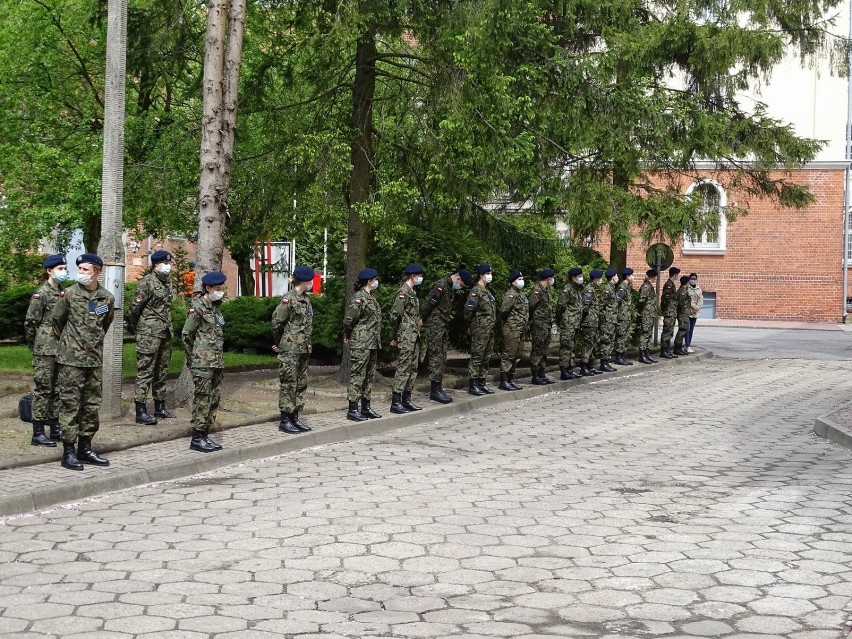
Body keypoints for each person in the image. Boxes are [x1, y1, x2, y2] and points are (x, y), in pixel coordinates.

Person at [52, 253, 115, 470]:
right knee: (70, 405)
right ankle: (68, 451)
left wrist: (91, 344)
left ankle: (85, 448)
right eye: (79, 269)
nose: (80, 273)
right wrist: (72, 345)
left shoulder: (106, 298)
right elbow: (56, 322)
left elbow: (104, 325)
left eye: (85, 270)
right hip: (71, 361)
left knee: (91, 405)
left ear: (97, 272)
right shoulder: (68, 294)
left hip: (94, 361)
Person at [24, 254, 68, 447]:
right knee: (43, 390)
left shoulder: (64, 293)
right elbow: (31, 323)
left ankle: (55, 427)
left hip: (61, 348)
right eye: (60, 268)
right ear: (49, 271)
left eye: (64, 268)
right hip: (45, 349)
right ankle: (38, 432)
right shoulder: (40, 294)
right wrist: (36, 345)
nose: (63, 272)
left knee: (58, 389)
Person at [127, 250, 176, 426]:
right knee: (145, 372)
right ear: (156, 265)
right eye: (165, 263)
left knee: (161, 371)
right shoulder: (146, 283)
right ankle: (140, 410)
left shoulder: (167, 284)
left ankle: (159, 406)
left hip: (164, 332)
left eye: (169, 263)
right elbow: (134, 309)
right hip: (148, 334)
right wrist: (137, 327)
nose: (168, 266)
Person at [181, 271, 227, 453]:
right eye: (218, 288)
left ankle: (205, 434)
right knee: (203, 399)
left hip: (216, 361)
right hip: (202, 362)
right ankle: (197, 437)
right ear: (208, 288)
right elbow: (186, 335)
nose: (221, 291)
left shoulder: (215, 307)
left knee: (213, 398)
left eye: (221, 288)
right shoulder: (198, 307)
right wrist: (194, 359)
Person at [272, 266, 315, 434]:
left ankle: (295, 417)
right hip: (290, 349)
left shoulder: (306, 299)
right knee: (289, 384)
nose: (312, 283)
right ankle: (285, 419)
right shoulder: (288, 299)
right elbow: (277, 323)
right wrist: (280, 342)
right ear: (305, 281)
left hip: (304, 348)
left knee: (301, 384)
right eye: (311, 280)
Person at [422, 269, 473, 403]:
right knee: (436, 356)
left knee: (442, 357)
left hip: (442, 325)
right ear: (458, 279)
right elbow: (429, 303)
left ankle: (438, 387)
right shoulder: (441, 286)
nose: (460, 287)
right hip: (435, 325)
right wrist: (422, 319)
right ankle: (434, 390)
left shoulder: (449, 287)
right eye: (461, 285)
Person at [343, 268, 383, 422]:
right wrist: (347, 335)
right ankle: (353, 409)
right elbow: (349, 320)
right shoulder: (359, 298)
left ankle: (366, 407)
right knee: (357, 375)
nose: (376, 282)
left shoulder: (371, 297)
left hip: (372, 342)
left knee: (369, 375)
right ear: (369, 281)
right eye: (375, 279)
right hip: (361, 342)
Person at [390, 264, 425, 414]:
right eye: (419, 276)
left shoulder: (412, 293)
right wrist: (396, 335)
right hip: (406, 336)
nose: (421, 278)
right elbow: (394, 315)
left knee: (413, 368)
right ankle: (396, 401)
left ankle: (407, 399)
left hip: (414, 335)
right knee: (403, 368)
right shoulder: (403, 292)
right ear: (413, 276)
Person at [465, 264, 497, 396]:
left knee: (486, 357)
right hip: (480, 329)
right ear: (481, 275)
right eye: (488, 273)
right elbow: (468, 311)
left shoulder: (487, 292)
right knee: (477, 356)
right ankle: (473, 384)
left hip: (489, 329)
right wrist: (473, 325)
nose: (490, 276)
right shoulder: (475, 291)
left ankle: (482, 382)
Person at [498, 270, 530, 391]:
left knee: (517, 354)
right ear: (513, 282)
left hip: (520, 329)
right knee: (509, 354)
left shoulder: (521, 295)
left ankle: (511, 378)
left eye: (522, 279)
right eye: (519, 279)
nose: (522, 281)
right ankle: (504, 380)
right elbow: (503, 312)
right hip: (512, 328)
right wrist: (510, 323)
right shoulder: (510, 294)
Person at [528, 268, 556, 385]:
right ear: (548, 278)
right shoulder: (537, 291)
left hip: (546, 325)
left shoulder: (546, 292)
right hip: (539, 325)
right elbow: (531, 306)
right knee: (537, 349)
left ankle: (541, 372)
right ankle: (535, 375)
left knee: (544, 350)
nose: (553, 280)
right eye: (552, 278)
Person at [557, 267, 584, 380]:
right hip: (568, 323)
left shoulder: (577, 290)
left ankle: (569, 369)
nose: (581, 278)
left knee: (572, 347)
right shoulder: (567, 289)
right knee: (566, 347)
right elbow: (560, 307)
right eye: (580, 276)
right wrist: (561, 320)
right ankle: (564, 370)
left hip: (575, 323)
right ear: (573, 277)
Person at [576, 269, 603, 376]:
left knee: (592, 344)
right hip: (589, 322)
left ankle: (590, 366)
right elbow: (585, 307)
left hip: (593, 322)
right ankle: (584, 366)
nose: (601, 280)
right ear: (595, 279)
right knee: (587, 345)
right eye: (600, 278)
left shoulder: (593, 289)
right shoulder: (589, 290)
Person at [595, 268, 619, 372]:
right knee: (606, 341)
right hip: (607, 320)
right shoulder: (607, 289)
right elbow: (601, 305)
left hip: (612, 319)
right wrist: (604, 318)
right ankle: (603, 363)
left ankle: (606, 361)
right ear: (613, 277)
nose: (617, 277)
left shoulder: (612, 288)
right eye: (616, 275)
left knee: (610, 341)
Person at [636, 268, 659, 364]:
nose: (655, 279)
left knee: (649, 334)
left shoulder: (649, 286)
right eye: (655, 277)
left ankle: (647, 353)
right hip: (646, 314)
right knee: (645, 334)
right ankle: (642, 355)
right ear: (652, 277)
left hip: (650, 314)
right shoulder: (646, 286)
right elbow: (642, 300)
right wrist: (642, 312)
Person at [614, 268, 634, 366]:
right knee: (621, 336)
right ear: (627, 276)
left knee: (624, 336)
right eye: (631, 275)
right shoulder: (622, 287)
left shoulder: (627, 286)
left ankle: (622, 355)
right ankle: (618, 356)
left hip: (626, 315)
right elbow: (617, 301)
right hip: (622, 316)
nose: (633, 277)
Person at [659, 266, 680, 359]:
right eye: (677, 275)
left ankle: (667, 349)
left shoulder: (672, 284)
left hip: (672, 311)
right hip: (669, 311)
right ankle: (663, 350)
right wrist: (666, 309)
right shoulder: (669, 284)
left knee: (670, 331)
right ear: (675, 275)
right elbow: (665, 298)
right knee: (667, 331)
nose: (678, 277)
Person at [673, 274, 692, 355]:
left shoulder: (683, 290)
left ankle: (679, 347)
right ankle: (677, 347)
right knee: (682, 330)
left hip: (684, 313)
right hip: (682, 313)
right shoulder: (683, 291)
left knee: (683, 330)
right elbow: (680, 303)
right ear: (686, 282)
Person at [686, 273, 703, 353]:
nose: (693, 280)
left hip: (695, 312)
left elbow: (700, 300)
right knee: (687, 329)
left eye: (694, 278)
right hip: (688, 311)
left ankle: (689, 344)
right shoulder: (686, 288)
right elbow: (687, 299)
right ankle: (687, 345)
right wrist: (692, 307)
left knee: (691, 330)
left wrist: (697, 308)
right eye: (691, 278)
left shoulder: (698, 289)